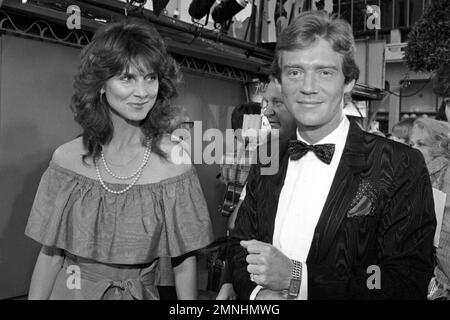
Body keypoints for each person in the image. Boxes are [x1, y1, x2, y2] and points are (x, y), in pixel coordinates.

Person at [228, 10, 436, 300]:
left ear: (348, 81)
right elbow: (241, 246)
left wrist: (297, 279)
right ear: (280, 81)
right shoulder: (268, 156)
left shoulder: (400, 164)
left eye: (324, 72)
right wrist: (259, 294)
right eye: (295, 72)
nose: (308, 87)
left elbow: (404, 280)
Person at [25, 18, 213, 300]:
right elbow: (50, 257)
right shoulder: (66, 160)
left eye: (150, 78)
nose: (142, 92)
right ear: (101, 84)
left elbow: (184, 263)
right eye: (127, 78)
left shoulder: (176, 163)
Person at [216, 76, 296, 300]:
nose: (267, 113)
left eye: (276, 103)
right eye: (265, 105)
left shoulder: (233, 152)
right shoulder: (264, 153)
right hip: (249, 246)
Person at [410, 118, 450, 300]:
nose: (413, 148)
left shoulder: (441, 175)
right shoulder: (420, 172)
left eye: (421, 143)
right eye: (411, 143)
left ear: (439, 145)